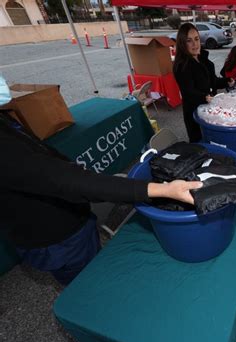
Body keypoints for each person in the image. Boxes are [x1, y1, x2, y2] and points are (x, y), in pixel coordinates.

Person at [0, 101, 202, 285]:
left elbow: (43, 157)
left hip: (73, 215)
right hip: (55, 236)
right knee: (87, 285)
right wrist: (164, 189)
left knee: (96, 266)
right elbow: (65, 180)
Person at [173, 23, 233, 143]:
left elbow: (212, 81)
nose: (195, 44)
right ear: (182, 43)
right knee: (201, 145)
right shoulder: (182, 66)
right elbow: (188, 92)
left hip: (210, 110)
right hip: (195, 114)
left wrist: (227, 81)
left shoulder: (202, 59)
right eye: (189, 41)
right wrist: (205, 97)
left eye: (196, 39)